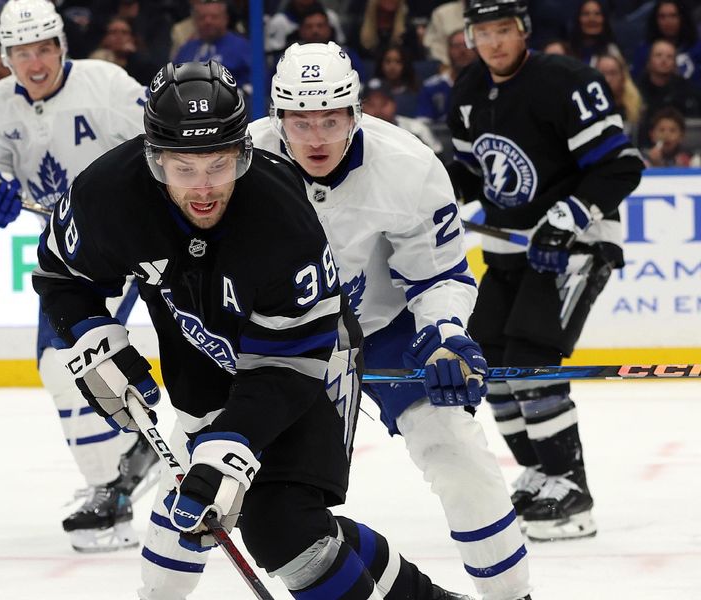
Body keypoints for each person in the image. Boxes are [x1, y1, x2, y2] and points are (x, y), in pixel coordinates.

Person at [34, 58, 474, 600]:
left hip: (310, 364)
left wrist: (231, 447)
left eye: (218, 165)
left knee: (281, 523)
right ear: (153, 160)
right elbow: (60, 273)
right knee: (203, 524)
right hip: (203, 373)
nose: (203, 189)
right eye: (183, 168)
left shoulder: (282, 219)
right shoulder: (108, 193)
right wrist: (92, 340)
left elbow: (290, 361)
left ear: (242, 153)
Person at [127, 43, 532, 600]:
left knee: (457, 450)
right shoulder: (237, 161)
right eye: (299, 119)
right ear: (277, 114)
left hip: (384, 330)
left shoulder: (409, 167)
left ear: (356, 112)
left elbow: (439, 277)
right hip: (273, 339)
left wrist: (445, 337)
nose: (316, 136)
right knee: (197, 474)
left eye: (330, 119)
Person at [447, 0, 644, 542]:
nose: (493, 43)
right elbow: (471, 174)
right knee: (487, 362)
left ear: (523, 30)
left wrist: (568, 217)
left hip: (574, 247)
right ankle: (541, 471)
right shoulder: (467, 92)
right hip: (511, 250)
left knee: (532, 360)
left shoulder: (565, 82)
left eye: (503, 30)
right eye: (482, 33)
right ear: (470, 37)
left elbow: (621, 165)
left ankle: (572, 488)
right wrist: (441, 200)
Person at [0, 0, 157, 553]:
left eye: (43, 48)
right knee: (60, 365)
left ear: (60, 46)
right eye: (21, 52)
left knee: (74, 359)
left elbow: (160, 139)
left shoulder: (105, 84)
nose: (34, 62)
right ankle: (117, 478)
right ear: (5, 57)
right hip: (69, 252)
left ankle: (126, 477)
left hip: (133, 236)